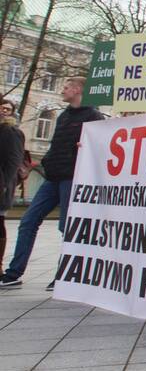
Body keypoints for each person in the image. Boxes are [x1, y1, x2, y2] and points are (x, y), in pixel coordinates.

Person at [0, 77, 103, 290]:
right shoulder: (64, 116)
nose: (62, 91)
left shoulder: (93, 116)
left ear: (77, 90)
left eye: (66, 87)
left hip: (72, 177)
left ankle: (63, 274)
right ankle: (14, 272)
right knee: (28, 221)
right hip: (53, 177)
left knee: (67, 227)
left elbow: (100, 146)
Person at [0, 99, 26, 276]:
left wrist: (4, 185)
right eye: (1, 107)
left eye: (7, 109)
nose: (4, 111)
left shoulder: (10, 132)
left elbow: (14, 161)